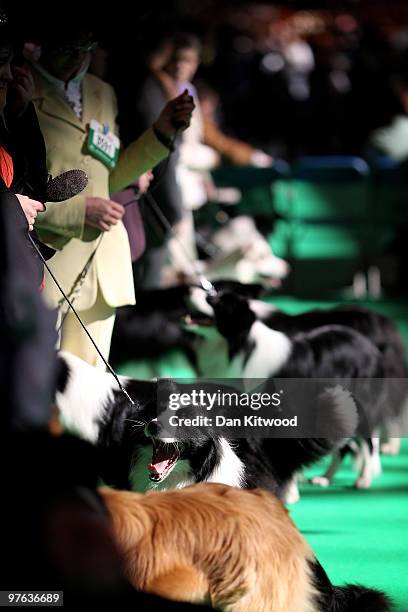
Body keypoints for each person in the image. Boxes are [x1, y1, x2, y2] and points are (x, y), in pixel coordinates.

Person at [25, 19, 194, 367]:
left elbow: (108, 180)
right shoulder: (18, 92)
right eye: (66, 50)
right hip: (47, 267)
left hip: (103, 267)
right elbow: (10, 194)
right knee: (40, 388)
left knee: (93, 391)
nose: (77, 59)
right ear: (37, 47)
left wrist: (160, 132)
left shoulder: (102, 92)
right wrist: (76, 211)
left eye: (85, 48)